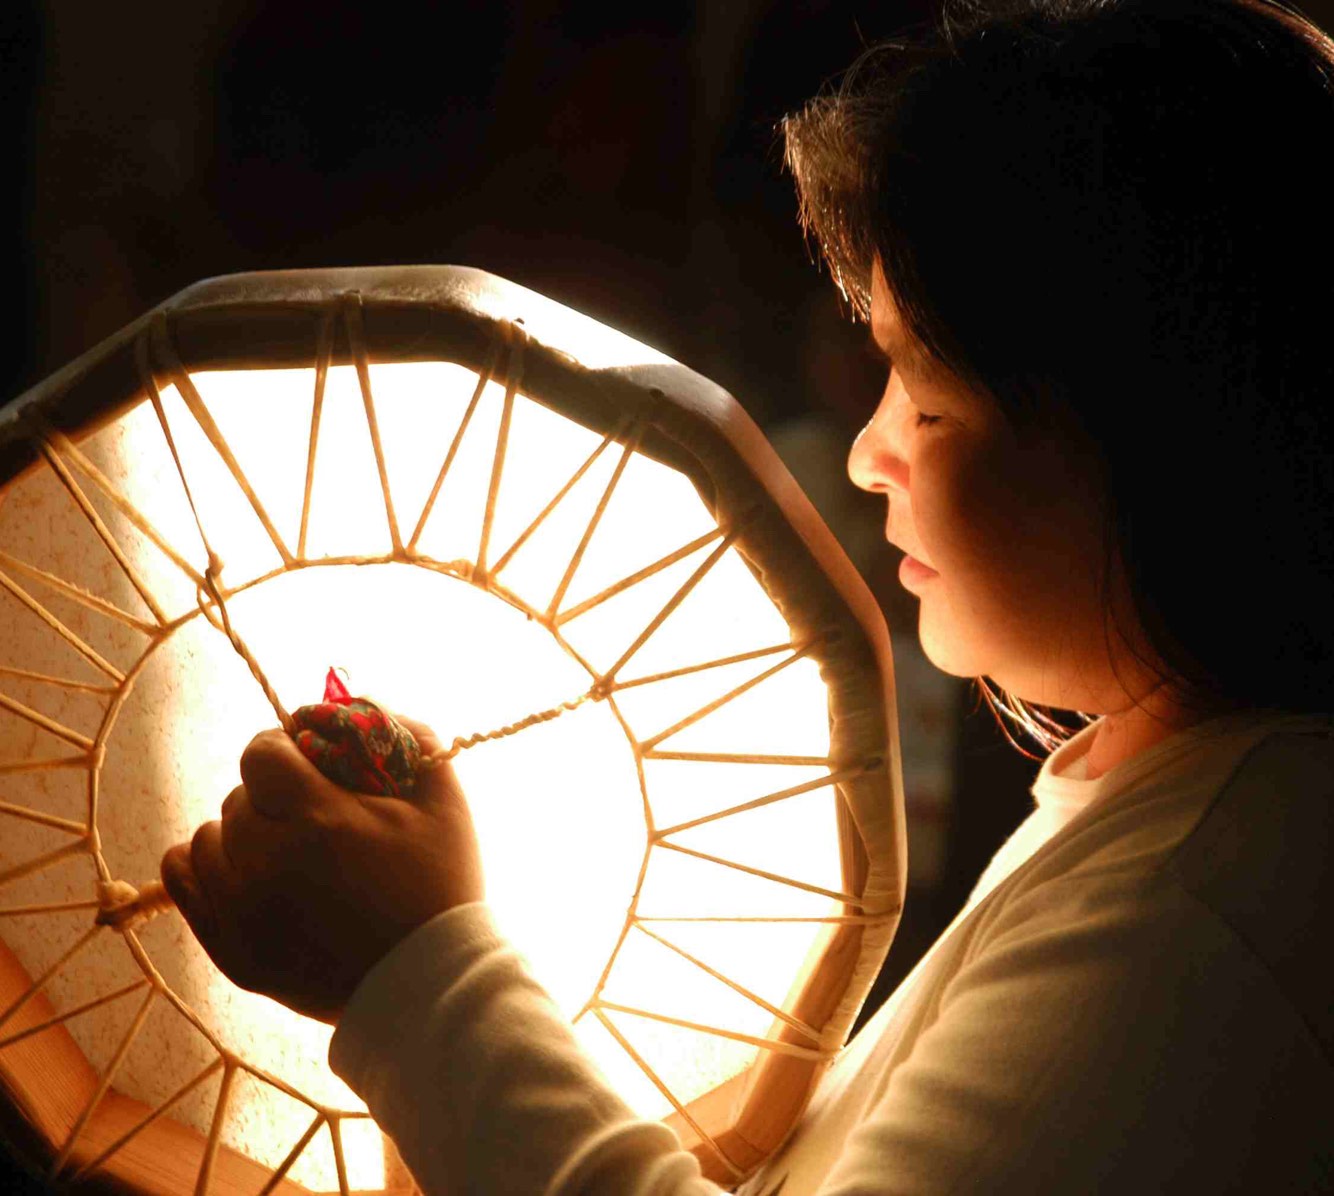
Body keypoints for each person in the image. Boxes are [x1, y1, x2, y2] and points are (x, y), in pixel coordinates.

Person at [161, 0, 1334, 1190]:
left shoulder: (1205, 905)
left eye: (926, 399)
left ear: (1154, 443)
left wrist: (418, 974)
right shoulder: (1169, 813)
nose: (872, 450)